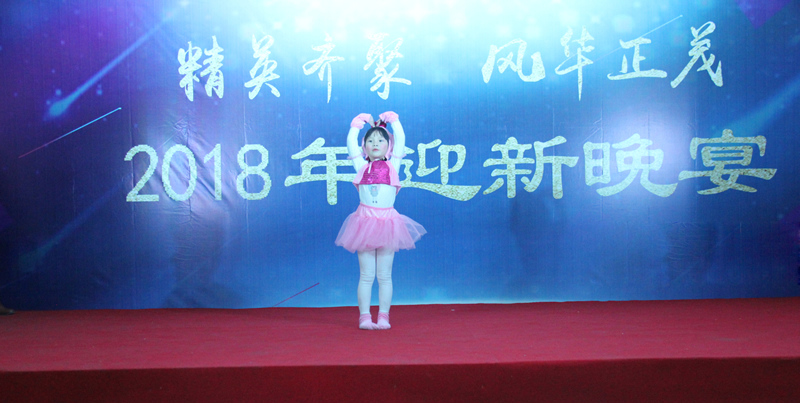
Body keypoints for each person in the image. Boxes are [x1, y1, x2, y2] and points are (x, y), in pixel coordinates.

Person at [335, 111, 426, 330]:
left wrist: (394, 120)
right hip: (364, 222)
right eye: (370, 141)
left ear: (389, 146)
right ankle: (365, 318)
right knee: (366, 275)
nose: (375, 144)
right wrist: (358, 123)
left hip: (388, 224)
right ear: (364, 146)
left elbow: (401, 138)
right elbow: (350, 142)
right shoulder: (361, 166)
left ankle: (383, 316)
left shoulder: (394, 165)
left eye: (380, 140)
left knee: (384, 275)